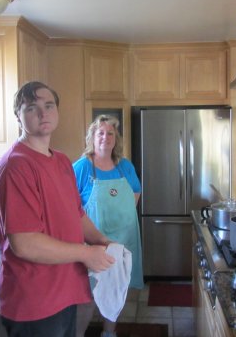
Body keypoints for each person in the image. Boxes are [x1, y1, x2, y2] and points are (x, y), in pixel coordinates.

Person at [0, 82, 115, 337]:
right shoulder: (15, 167)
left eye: (48, 106)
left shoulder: (60, 160)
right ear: (18, 116)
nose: (42, 114)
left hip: (64, 290)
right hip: (34, 302)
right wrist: (86, 253)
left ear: (57, 111)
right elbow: (25, 244)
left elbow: (76, 214)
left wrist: (101, 241)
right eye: (31, 108)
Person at [73, 115, 144, 337]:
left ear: (116, 139)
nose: (105, 137)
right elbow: (69, 206)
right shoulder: (82, 167)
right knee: (88, 296)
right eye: (100, 133)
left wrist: (119, 221)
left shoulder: (125, 166)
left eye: (110, 133)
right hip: (93, 243)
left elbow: (135, 193)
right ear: (92, 137)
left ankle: (108, 333)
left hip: (122, 241)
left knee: (118, 289)